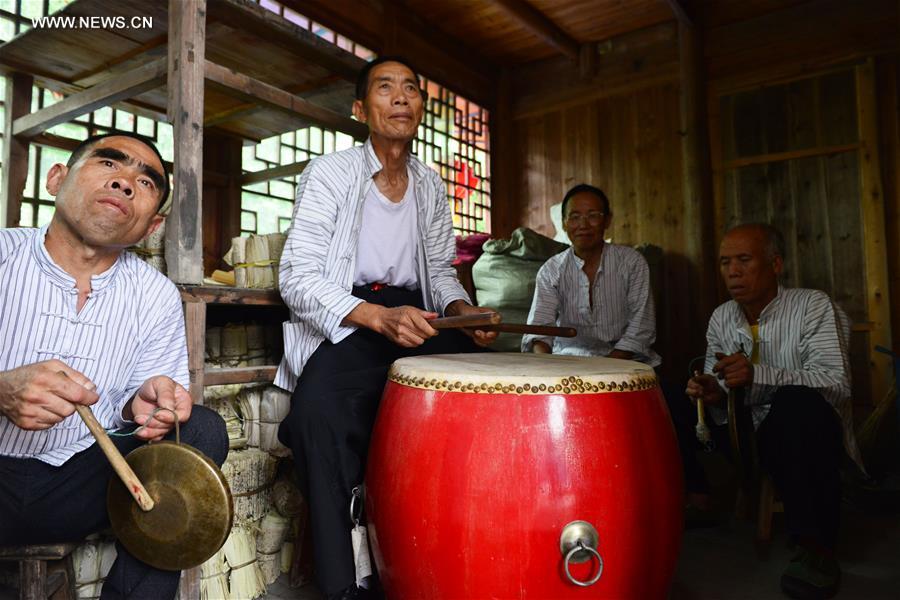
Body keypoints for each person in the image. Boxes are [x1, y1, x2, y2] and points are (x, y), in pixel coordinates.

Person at [275, 56, 497, 600]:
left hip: (416, 315)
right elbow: (296, 275)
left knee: (483, 397)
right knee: (315, 418)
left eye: (411, 89)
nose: (401, 97)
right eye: (385, 88)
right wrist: (376, 317)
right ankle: (343, 583)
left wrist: (462, 313)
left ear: (420, 107)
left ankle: (458, 553)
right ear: (360, 108)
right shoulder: (329, 173)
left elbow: (441, 272)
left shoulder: (428, 182)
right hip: (351, 315)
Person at [0, 133, 228, 599]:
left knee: (199, 431)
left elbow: (148, 409)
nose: (125, 183)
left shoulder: (156, 294)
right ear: (56, 179)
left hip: (86, 484)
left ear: (151, 226)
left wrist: (137, 409)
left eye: (145, 182)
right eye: (109, 163)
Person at [683, 223, 858, 600]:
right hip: (747, 438)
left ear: (774, 264)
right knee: (665, 393)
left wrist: (757, 375)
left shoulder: (812, 305)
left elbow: (835, 383)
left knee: (795, 404)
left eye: (744, 260)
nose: (733, 271)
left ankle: (817, 550)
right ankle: (692, 503)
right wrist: (712, 392)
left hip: (808, 435)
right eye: (725, 262)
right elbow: (726, 387)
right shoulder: (721, 317)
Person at [522, 183, 659, 366]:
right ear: (564, 223)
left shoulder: (631, 263)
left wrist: (602, 368)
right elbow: (539, 330)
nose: (583, 225)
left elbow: (641, 329)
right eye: (574, 217)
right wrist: (546, 365)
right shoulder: (551, 270)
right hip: (568, 365)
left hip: (626, 364)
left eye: (593, 216)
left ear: (607, 220)